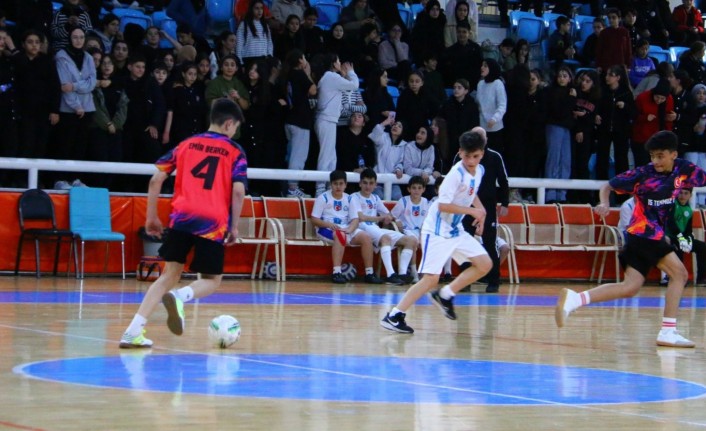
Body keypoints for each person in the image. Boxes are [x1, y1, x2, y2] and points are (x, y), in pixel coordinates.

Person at [555, 130, 706, 348]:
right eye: (652, 156)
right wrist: (605, 203)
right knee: (680, 274)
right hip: (645, 233)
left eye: (660, 156)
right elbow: (608, 185)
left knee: (630, 286)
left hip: (640, 238)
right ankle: (668, 330)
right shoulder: (643, 173)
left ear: (673, 154)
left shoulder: (685, 169)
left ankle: (575, 300)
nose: (655, 161)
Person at [119, 98, 248, 348]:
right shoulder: (234, 151)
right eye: (235, 128)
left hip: (181, 218)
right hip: (212, 222)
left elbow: (156, 179)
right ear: (229, 124)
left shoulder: (186, 144)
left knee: (169, 274)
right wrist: (233, 227)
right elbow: (239, 192)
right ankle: (180, 296)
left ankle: (132, 331)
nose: (234, 132)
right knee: (212, 280)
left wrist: (151, 216)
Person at [380, 128, 491, 334]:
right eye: (467, 156)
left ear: (482, 154)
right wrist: (472, 212)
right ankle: (394, 315)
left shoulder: (480, 171)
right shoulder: (455, 175)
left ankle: (446, 294)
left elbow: (471, 192)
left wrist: (481, 211)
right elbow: (443, 205)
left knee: (485, 264)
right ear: (460, 152)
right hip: (437, 230)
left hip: (454, 229)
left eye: (475, 156)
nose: (471, 160)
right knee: (431, 278)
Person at [310, 169, 383, 284]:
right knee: (340, 235)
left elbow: (355, 219)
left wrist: (350, 229)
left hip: (345, 228)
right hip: (326, 228)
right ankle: (336, 272)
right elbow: (314, 219)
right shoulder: (323, 198)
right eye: (335, 184)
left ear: (345, 184)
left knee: (366, 237)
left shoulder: (350, 198)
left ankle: (369, 273)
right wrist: (329, 224)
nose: (338, 187)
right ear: (331, 184)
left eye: (341, 184)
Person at [352, 169, 419, 284]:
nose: (368, 186)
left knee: (411, 240)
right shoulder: (354, 197)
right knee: (385, 238)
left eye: (371, 183)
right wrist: (380, 218)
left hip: (374, 228)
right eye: (365, 183)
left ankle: (402, 274)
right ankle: (390, 274)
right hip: (361, 228)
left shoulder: (376, 198)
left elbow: (387, 214)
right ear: (360, 183)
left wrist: (394, 219)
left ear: (375, 185)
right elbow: (361, 217)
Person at [391, 175, 429, 283]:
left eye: (419, 188)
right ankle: (413, 271)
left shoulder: (426, 202)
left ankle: (427, 272)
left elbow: (428, 221)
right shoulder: (403, 201)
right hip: (407, 230)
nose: (416, 191)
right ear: (409, 189)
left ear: (424, 189)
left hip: (422, 231)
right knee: (413, 241)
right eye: (414, 188)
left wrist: (423, 234)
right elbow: (392, 215)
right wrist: (397, 221)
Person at [665, 187, 706, 285]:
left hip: (682, 238)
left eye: (686, 193)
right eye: (681, 193)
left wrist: (689, 240)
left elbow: (688, 230)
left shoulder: (689, 210)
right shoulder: (672, 205)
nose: (682, 196)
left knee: (702, 246)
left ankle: (701, 279)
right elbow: (671, 224)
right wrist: (681, 238)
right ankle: (679, 278)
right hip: (670, 237)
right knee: (678, 246)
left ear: (690, 195)